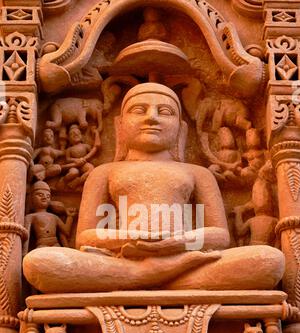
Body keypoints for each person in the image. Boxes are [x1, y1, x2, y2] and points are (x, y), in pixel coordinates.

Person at [23, 83, 284, 293]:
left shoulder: (197, 173)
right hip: (123, 260)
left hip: (185, 258)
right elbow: (85, 238)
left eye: (165, 111)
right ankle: (148, 275)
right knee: (39, 263)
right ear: (120, 126)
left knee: (268, 261)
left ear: (180, 128)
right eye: (139, 110)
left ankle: (147, 277)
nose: (152, 118)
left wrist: (177, 243)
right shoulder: (104, 172)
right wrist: (134, 240)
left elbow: (220, 236)